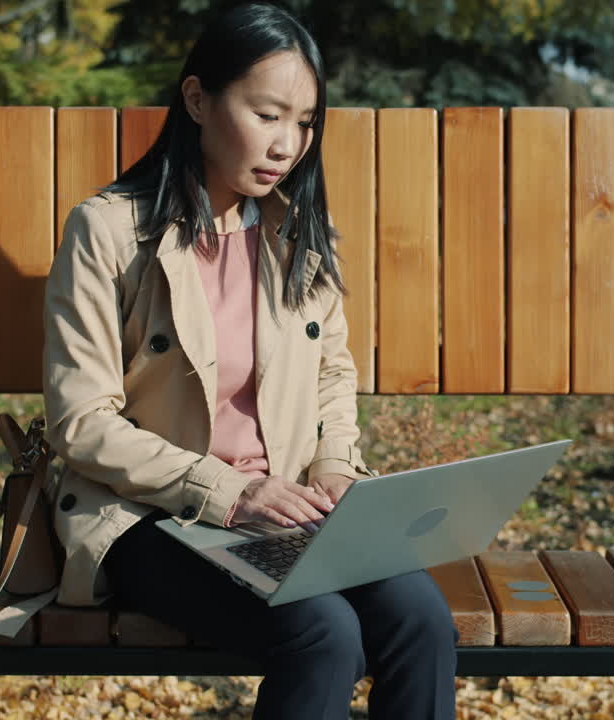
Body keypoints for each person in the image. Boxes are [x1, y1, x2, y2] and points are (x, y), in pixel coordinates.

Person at [40, 3, 458, 718]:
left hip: (285, 513)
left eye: (304, 122)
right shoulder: (109, 230)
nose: (288, 143)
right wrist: (227, 492)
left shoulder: (298, 235)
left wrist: (333, 473)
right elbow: (80, 423)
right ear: (198, 100)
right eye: (268, 114)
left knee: (420, 619)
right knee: (322, 634)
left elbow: (332, 376)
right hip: (153, 515)